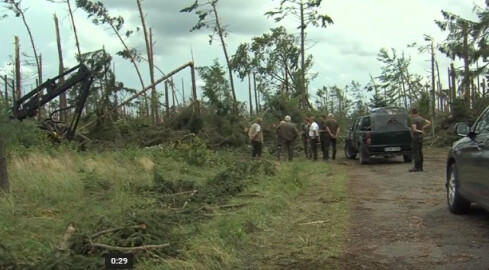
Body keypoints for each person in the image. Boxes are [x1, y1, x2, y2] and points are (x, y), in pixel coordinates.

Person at [409, 108, 431, 172]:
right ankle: (421, 167)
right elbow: (429, 122)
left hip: (415, 137)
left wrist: (421, 131)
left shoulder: (414, 119)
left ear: (412, 113)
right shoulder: (421, 118)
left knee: (416, 152)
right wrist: (423, 127)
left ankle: (416, 167)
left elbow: (414, 129)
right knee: (420, 152)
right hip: (421, 137)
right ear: (417, 112)